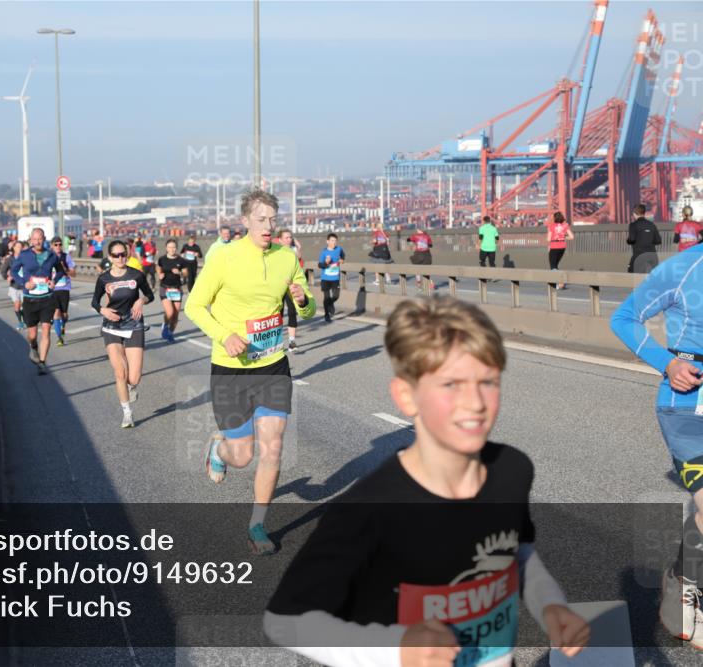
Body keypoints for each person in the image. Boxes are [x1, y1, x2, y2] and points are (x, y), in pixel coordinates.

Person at [265, 296, 591, 666]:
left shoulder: (512, 469)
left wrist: (551, 606)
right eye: (450, 385)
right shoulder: (372, 507)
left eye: (487, 382)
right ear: (406, 396)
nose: (474, 403)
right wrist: (398, 648)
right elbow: (284, 621)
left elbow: (519, 553)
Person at [185, 190, 315, 554]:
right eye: (261, 220)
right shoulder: (224, 258)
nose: (269, 226)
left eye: (273, 219)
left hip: (273, 365)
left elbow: (306, 308)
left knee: (273, 447)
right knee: (242, 456)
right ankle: (218, 450)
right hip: (230, 370)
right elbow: (194, 306)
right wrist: (224, 336)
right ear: (245, 221)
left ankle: (257, 526)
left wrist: (303, 301)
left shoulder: (287, 257)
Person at [611, 244, 703, 645]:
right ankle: (686, 582)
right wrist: (667, 363)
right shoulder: (684, 268)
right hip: (686, 410)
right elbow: (624, 317)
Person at [92, 240, 155, 428]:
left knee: (133, 378)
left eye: (123, 254)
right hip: (112, 325)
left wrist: (141, 301)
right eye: (116, 255)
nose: (121, 258)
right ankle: (127, 413)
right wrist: (102, 310)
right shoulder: (104, 278)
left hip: (134, 323)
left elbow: (150, 295)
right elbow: (95, 302)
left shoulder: (136, 275)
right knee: (120, 371)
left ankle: (130, 387)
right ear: (110, 257)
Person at [11, 228, 68, 374]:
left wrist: (54, 281)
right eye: (34, 239)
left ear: (44, 239)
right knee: (32, 335)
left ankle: (42, 363)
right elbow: (13, 271)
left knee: (47, 330)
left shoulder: (51, 255)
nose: (37, 241)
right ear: (30, 240)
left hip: (47, 298)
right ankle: (33, 347)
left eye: (40, 238)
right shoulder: (24, 255)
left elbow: (61, 271)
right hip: (30, 299)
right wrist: (24, 283)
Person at [275, 230, 303, 351]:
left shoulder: (293, 251)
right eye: (286, 238)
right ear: (280, 239)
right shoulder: (274, 252)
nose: (289, 240)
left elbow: (299, 262)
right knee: (278, 314)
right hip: (278, 287)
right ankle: (277, 342)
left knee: (292, 312)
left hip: (291, 286)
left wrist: (299, 247)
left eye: (290, 237)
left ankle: (292, 342)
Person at [156, 239, 189, 342]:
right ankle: (165, 325)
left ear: (176, 248)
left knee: (175, 314)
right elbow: (158, 267)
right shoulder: (162, 259)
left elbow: (186, 273)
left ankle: (170, 333)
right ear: (166, 248)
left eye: (174, 247)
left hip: (177, 289)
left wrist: (179, 272)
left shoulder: (181, 260)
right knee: (169, 312)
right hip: (165, 287)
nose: (172, 249)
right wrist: (159, 274)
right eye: (170, 247)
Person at [50, 236, 76, 346]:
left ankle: (63, 325)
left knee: (64, 315)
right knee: (56, 313)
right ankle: (59, 337)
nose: (58, 246)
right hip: (52, 289)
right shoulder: (48, 257)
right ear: (52, 246)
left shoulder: (66, 257)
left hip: (64, 289)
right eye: (55, 244)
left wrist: (64, 269)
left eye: (60, 244)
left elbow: (74, 274)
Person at [318, 233, 345, 323]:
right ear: (327, 241)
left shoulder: (339, 249)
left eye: (335, 241)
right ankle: (327, 315)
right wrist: (326, 262)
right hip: (325, 278)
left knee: (336, 296)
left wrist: (342, 260)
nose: (334, 243)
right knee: (326, 297)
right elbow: (320, 265)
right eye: (332, 241)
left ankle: (331, 303)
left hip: (335, 278)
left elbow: (343, 256)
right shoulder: (324, 252)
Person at [627, 203, 662, 274]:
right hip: (652, 256)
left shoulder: (633, 225)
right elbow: (658, 241)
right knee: (652, 278)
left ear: (634, 213)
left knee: (631, 273)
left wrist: (628, 240)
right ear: (644, 213)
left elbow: (632, 239)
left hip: (639, 256)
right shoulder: (652, 225)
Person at [546, 211, 574, 290]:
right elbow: (571, 237)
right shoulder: (565, 226)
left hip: (554, 246)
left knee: (553, 266)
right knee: (556, 265)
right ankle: (558, 283)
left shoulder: (552, 226)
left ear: (554, 218)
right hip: (562, 246)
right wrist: (563, 237)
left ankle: (559, 282)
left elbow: (548, 239)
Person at [3, 240, 26, 330]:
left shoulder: (26, 258)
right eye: (18, 247)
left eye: (21, 247)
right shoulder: (10, 259)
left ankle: (25, 320)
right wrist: (7, 277)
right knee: (17, 305)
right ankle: (20, 322)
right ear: (14, 248)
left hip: (24, 286)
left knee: (25, 306)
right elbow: (3, 270)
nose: (19, 248)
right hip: (14, 286)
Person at [407, 225, 434, 290]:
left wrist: (413, 241)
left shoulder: (415, 236)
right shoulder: (427, 236)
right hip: (427, 255)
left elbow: (408, 239)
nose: (416, 230)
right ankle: (430, 282)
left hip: (419, 254)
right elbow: (430, 245)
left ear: (419, 230)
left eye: (417, 229)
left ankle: (419, 285)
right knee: (426, 270)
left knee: (417, 270)